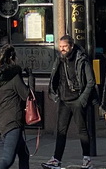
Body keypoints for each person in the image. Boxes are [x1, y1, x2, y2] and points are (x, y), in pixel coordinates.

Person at [41, 33, 96, 169]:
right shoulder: (59, 59)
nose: (62, 49)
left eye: (65, 46)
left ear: (71, 46)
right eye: (60, 47)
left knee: (82, 130)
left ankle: (87, 159)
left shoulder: (81, 59)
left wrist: (82, 100)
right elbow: (55, 77)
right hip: (64, 100)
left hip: (77, 99)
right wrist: (54, 95)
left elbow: (91, 81)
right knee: (61, 131)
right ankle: (56, 159)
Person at [0, 43, 31, 169]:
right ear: (12, 58)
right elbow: (26, 95)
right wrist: (31, 77)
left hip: (3, 121)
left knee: (24, 154)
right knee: (8, 159)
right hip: (13, 122)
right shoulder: (14, 77)